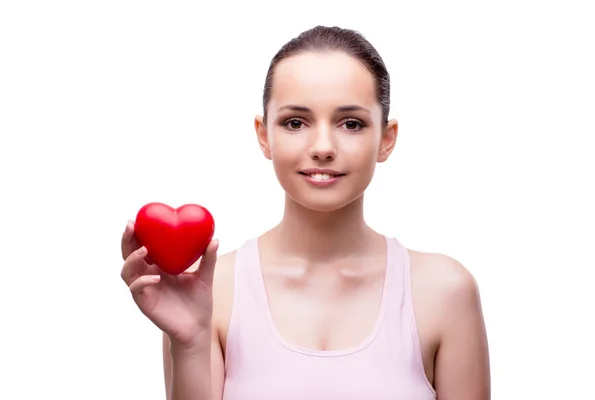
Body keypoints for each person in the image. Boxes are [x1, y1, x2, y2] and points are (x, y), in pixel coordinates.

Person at [120, 25, 491, 400]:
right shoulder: (212, 291)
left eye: (351, 124)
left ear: (386, 138)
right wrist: (190, 342)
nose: (323, 147)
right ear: (264, 135)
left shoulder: (445, 293)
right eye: (295, 122)